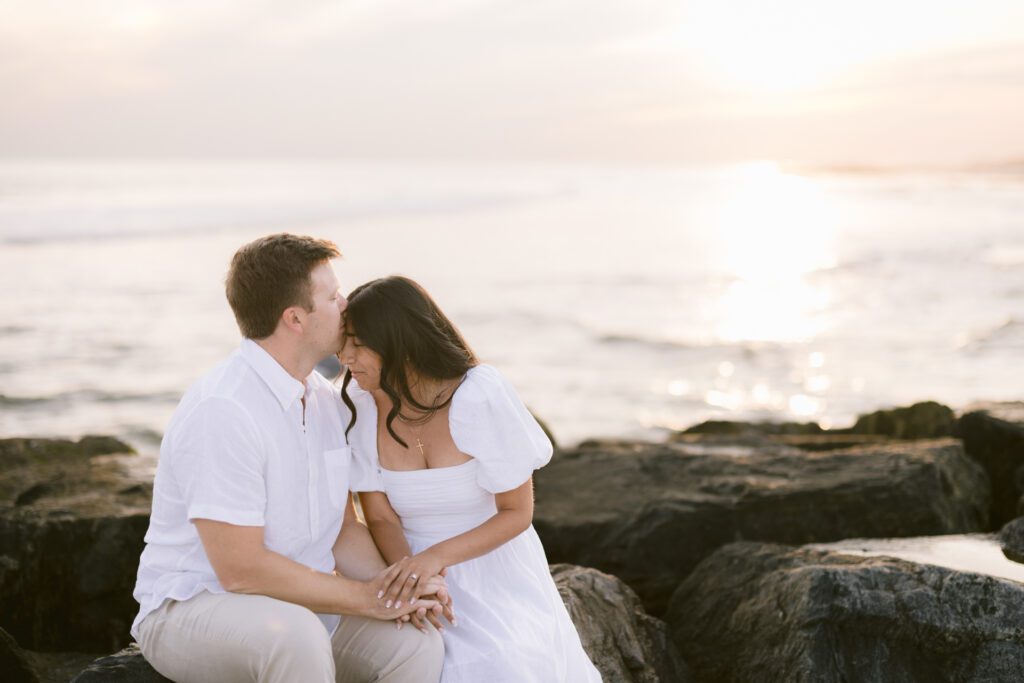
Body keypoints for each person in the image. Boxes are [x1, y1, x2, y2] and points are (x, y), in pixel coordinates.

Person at [131, 234, 448, 683]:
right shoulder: (224, 409)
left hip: (305, 606)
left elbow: (341, 530)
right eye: (332, 296)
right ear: (296, 318)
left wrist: (393, 593)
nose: (346, 304)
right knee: (295, 636)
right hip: (193, 606)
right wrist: (362, 599)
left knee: (413, 642)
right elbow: (239, 570)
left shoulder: (325, 401)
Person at [339, 276, 602, 683]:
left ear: (396, 340)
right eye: (344, 341)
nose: (345, 356)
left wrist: (436, 559)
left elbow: (516, 513)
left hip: (494, 565)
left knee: (506, 664)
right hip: (408, 563)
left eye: (358, 342)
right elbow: (380, 519)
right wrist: (414, 576)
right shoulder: (359, 407)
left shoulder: (478, 395)